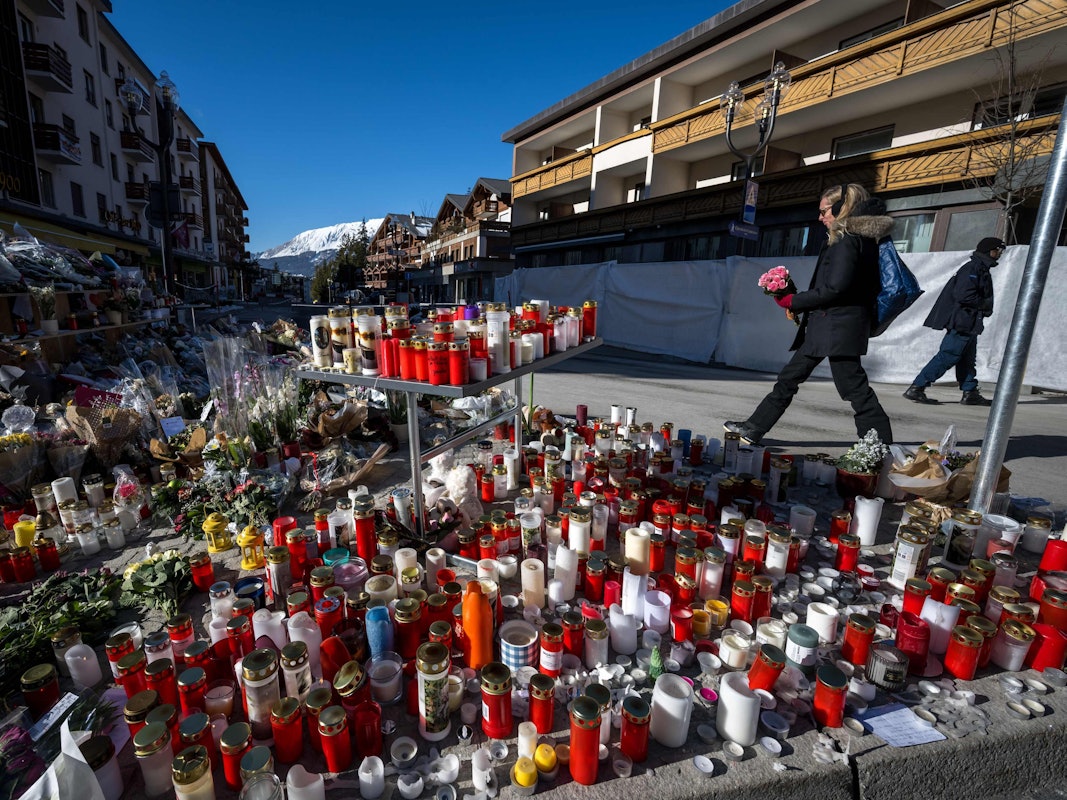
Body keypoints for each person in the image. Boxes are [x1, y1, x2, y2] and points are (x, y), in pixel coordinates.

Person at [724, 183, 893, 446]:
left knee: (854, 388)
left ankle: (879, 445)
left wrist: (794, 300)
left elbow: (835, 288)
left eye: (824, 211)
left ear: (840, 208)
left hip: (836, 328)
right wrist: (798, 301)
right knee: (789, 378)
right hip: (831, 326)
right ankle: (754, 428)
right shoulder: (859, 240)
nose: (820, 217)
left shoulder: (847, 241)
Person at [903, 237, 1005, 406]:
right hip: (962, 321)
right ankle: (917, 387)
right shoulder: (972, 268)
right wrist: (984, 305)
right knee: (948, 355)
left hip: (970, 322)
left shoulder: (981, 268)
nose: (999, 254)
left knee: (967, 359)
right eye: (998, 250)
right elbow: (964, 295)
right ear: (989, 251)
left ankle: (970, 392)